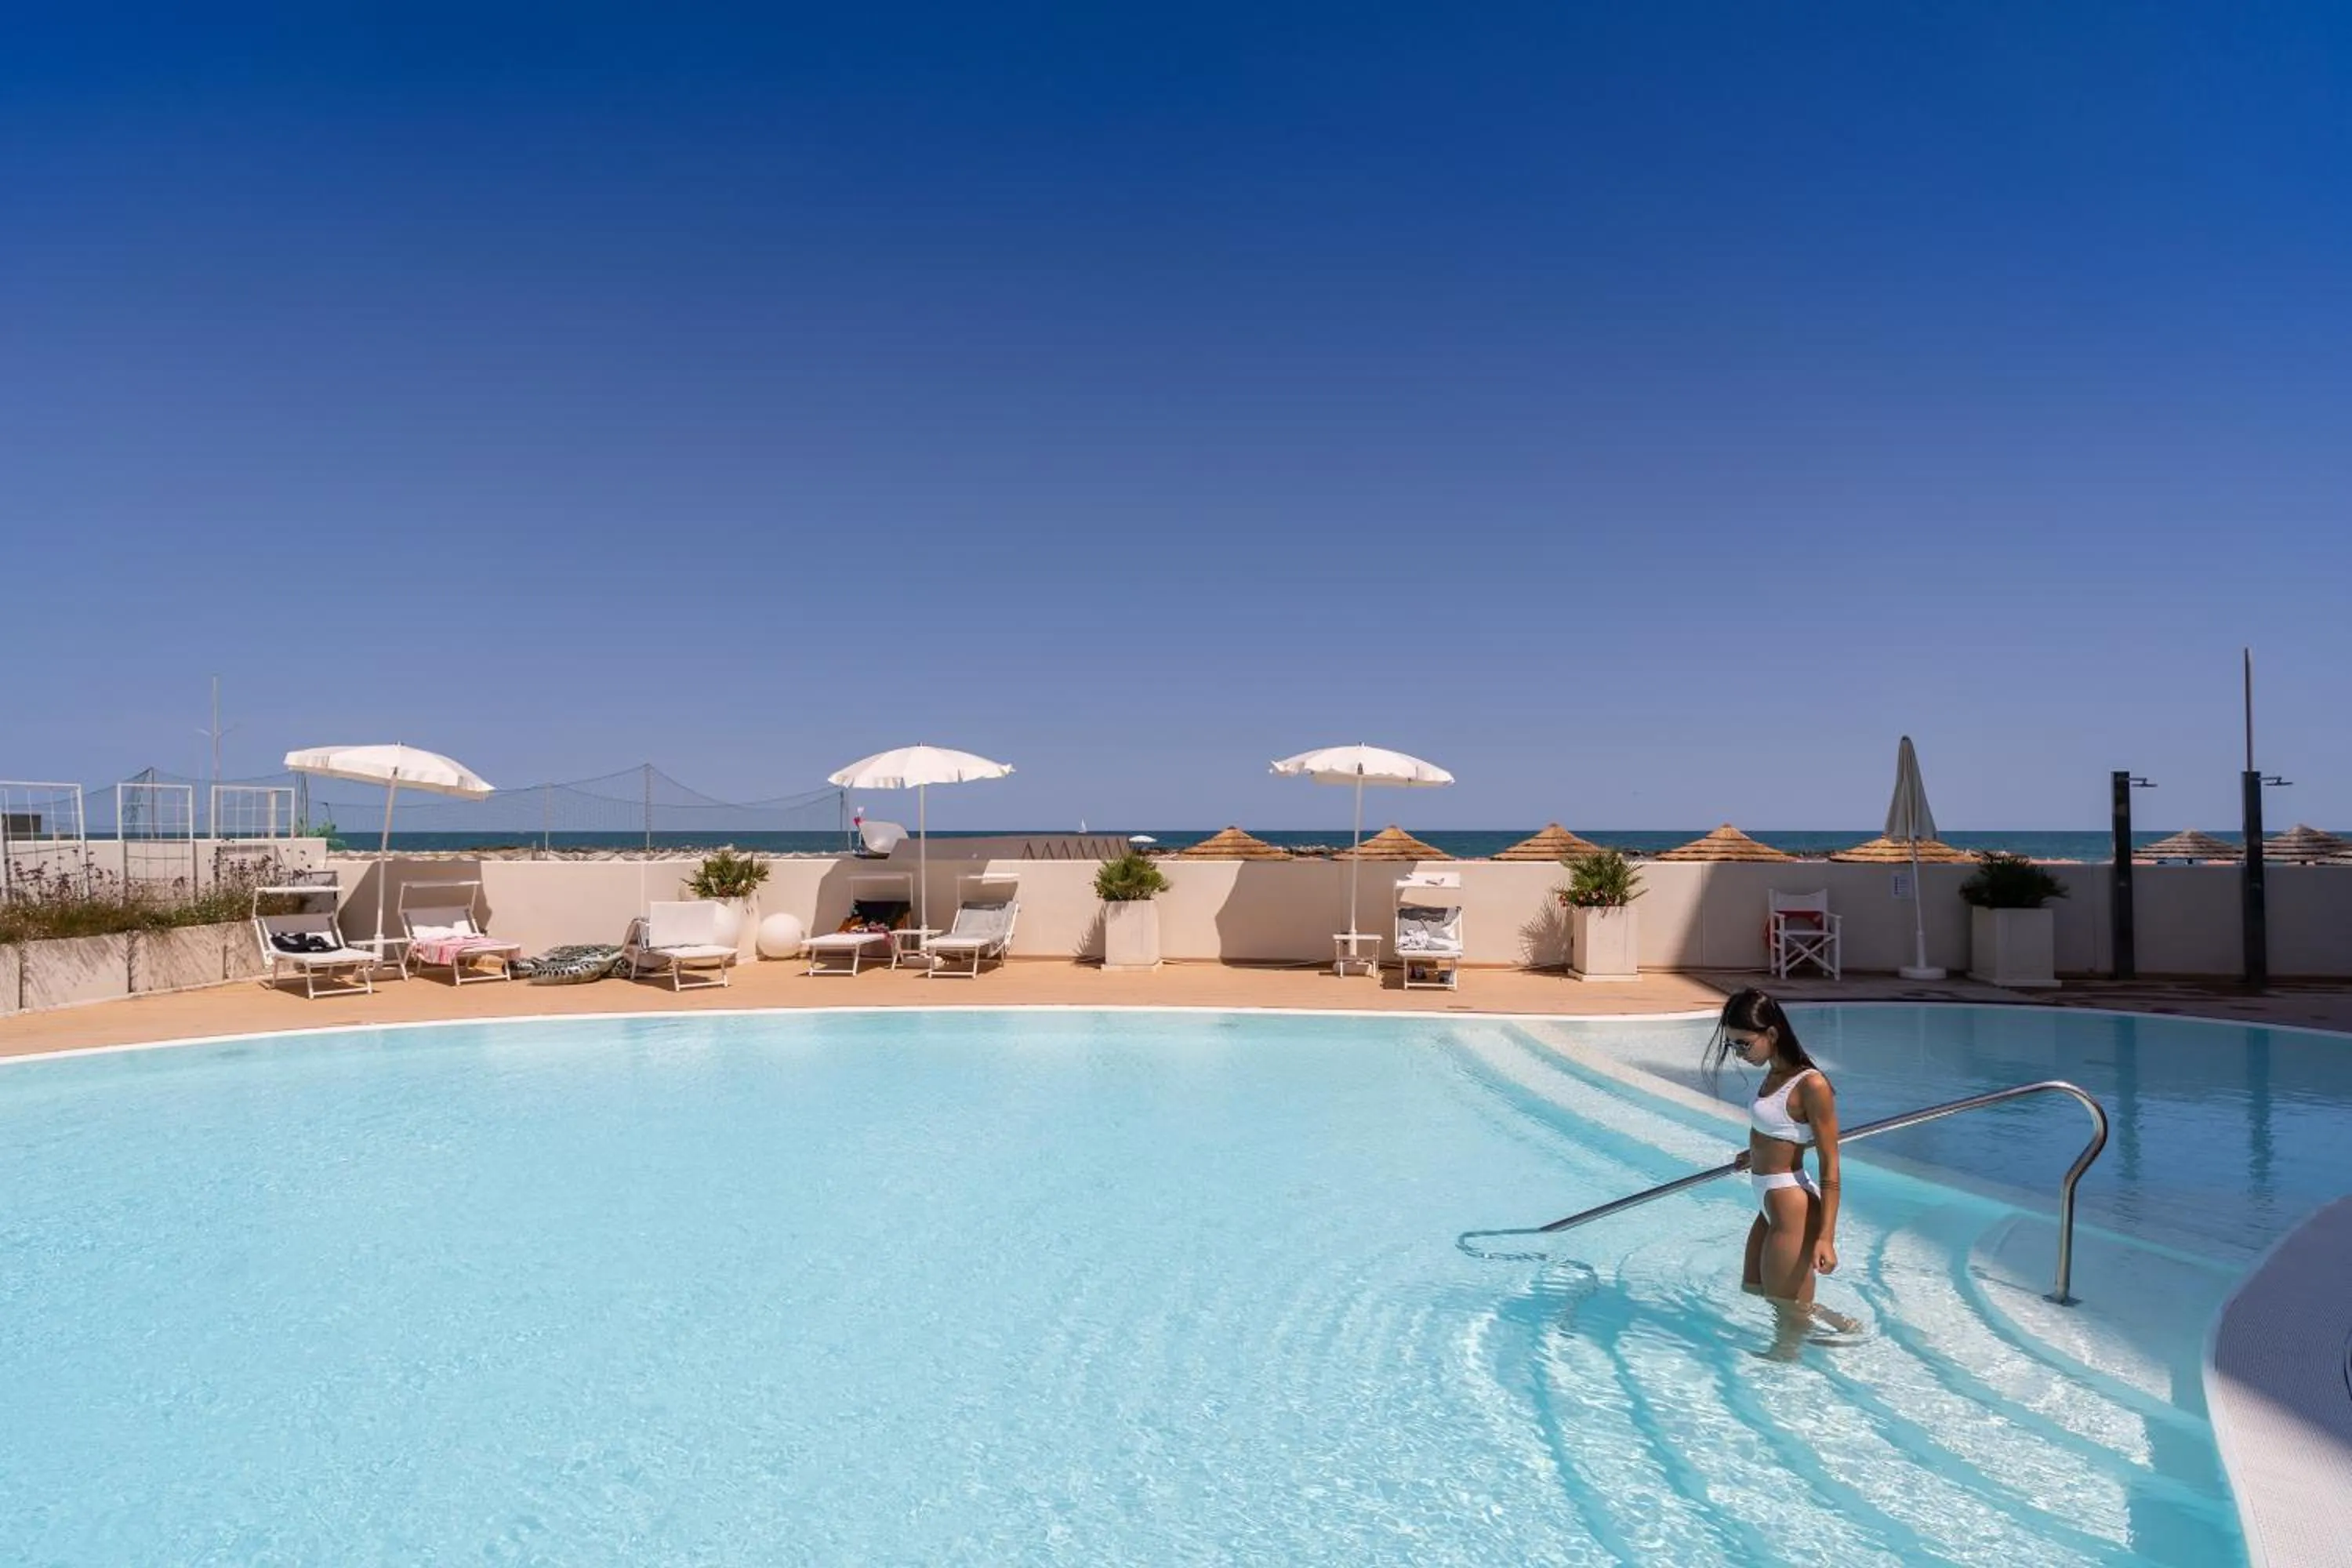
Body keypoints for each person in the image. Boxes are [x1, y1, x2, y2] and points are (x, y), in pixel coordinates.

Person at [1706, 988, 1854, 1345]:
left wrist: (1826, 1238)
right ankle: (1838, 1325)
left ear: (1771, 1034)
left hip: (1791, 1204)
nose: (1739, 1053)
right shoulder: (1774, 1073)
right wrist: (1756, 1153)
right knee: (1756, 1288)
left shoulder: (1811, 1084)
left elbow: (1831, 1165)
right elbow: (1783, 1130)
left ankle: (1788, 1362)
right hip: (1769, 1201)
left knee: (1785, 1311)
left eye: (1744, 1044)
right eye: (1733, 1045)